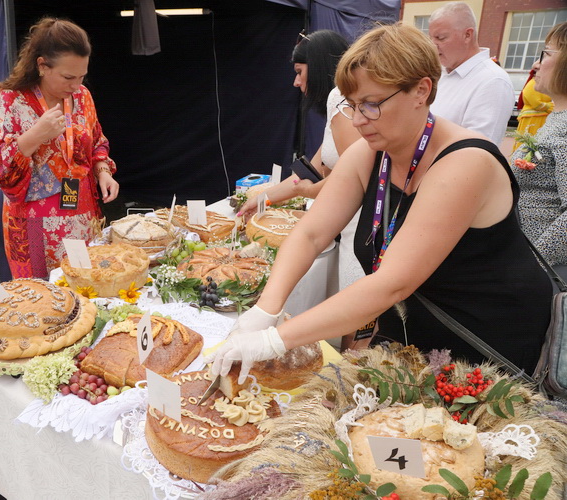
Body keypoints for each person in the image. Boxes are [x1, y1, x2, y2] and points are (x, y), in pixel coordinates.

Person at [209, 23, 552, 385]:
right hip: (412, 334)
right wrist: (266, 309)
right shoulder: (371, 152)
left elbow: (391, 283)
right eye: (352, 105)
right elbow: (311, 234)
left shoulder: (465, 163)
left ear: (421, 90)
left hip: (486, 344)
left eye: (372, 105)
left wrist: (274, 339)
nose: (358, 121)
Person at [0, 18, 119, 279]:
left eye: (81, 76)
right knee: (43, 291)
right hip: (34, 223)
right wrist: (35, 135)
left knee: (84, 283)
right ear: (42, 66)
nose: (75, 85)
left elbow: (96, 140)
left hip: (81, 215)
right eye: (68, 77)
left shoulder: (82, 97)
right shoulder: (12, 101)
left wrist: (102, 170)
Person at [238, 30, 364, 291]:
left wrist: (311, 191)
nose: (296, 82)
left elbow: (353, 179)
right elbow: (307, 173)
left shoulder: (338, 99)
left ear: (318, 68)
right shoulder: (339, 104)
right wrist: (262, 199)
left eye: (299, 71)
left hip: (357, 227)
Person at [510, 22, 567, 268]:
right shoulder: (557, 118)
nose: (535, 65)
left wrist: (533, 266)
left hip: (546, 273)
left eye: (545, 54)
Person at [427, 2, 514, 146]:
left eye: (440, 38)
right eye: (430, 38)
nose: (432, 45)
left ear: (467, 35)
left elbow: (478, 148)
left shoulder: (493, 81)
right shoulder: (439, 72)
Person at [513, 63, 553, 151]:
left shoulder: (544, 84)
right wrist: (551, 106)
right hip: (532, 119)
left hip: (541, 118)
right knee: (528, 144)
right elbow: (536, 103)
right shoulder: (533, 84)